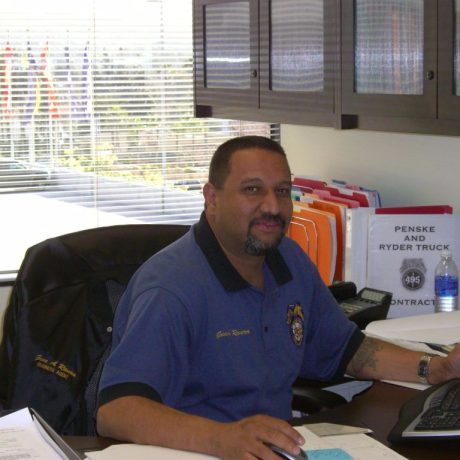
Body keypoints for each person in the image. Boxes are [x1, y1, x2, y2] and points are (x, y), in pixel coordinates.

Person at [96, 136, 460, 459]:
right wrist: (220, 438)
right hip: (199, 451)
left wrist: (433, 367)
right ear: (212, 198)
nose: (272, 207)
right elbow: (116, 411)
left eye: (282, 191)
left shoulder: (287, 259)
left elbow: (349, 351)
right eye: (252, 190)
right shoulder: (171, 289)